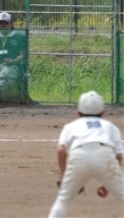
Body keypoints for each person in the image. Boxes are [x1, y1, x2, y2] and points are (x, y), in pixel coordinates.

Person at [48, 90, 123, 218]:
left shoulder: (71, 126)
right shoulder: (110, 126)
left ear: (78, 113)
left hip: (79, 156)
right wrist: (106, 183)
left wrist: (63, 175)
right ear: (103, 113)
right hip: (104, 157)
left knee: (63, 201)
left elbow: (61, 150)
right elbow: (119, 156)